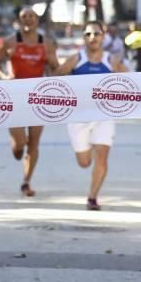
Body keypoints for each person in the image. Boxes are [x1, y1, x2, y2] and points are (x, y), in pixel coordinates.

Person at [55, 21, 127, 211]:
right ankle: (91, 147)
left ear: (103, 37)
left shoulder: (111, 61)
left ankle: (92, 197)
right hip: (79, 117)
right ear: (84, 38)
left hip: (104, 115)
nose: (92, 38)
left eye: (96, 34)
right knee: (84, 162)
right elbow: (54, 78)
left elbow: (132, 82)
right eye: (88, 34)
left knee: (102, 157)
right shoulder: (75, 59)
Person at [0, 6, 58, 197]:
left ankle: (26, 182)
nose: (27, 20)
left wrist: (54, 76)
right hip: (15, 98)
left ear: (37, 20)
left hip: (38, 98)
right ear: (19, 21)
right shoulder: (11, 42)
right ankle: (17, 147)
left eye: (31, 17)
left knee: (34, 144)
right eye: (23, 17)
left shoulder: (47, 44)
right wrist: (3, 76)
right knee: (20, 145)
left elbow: (55, 68)